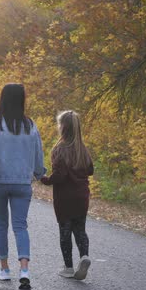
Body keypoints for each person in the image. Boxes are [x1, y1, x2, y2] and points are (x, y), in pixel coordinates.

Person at [0, 83, 46, 290]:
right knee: (20, 225)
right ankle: (24, 270)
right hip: (22, 183)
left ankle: (5, 270)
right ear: (21, 100)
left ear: (3, 99)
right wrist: (39, 173)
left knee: (0, 224)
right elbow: (37, 153)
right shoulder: (30, 125)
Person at [40, 110, 94, 280]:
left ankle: (68, 267)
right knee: (80, 230)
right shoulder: (82, 149)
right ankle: (84, 256)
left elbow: (59, 176)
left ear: (62, 127)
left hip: (64, 199)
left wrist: (44, 179)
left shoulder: (59, 149)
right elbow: (90, 170)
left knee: (65, 232)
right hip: (81, 197)